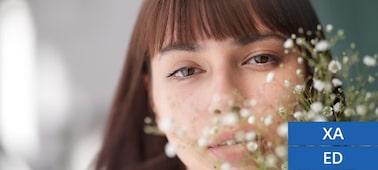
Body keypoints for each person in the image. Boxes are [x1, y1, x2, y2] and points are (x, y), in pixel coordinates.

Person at [95, 0, 325, 169]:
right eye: (186, 71)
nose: (225, 100)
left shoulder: (351, 153)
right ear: (152, 98)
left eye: (261, 59)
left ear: (312, 70)